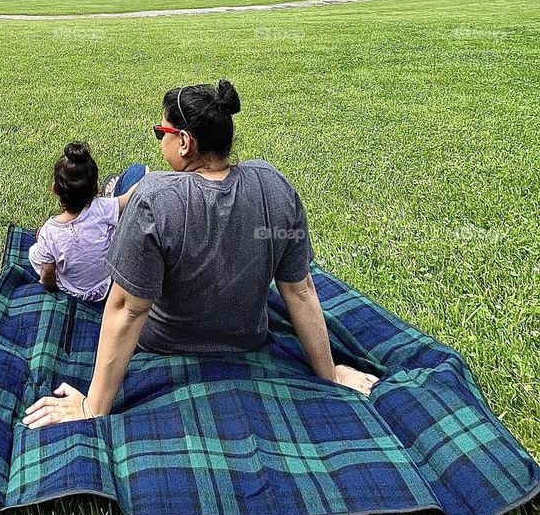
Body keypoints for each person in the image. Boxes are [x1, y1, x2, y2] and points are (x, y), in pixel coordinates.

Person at [24, 80, 379, 429]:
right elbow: (299, 290)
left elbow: (127, 309)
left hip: (164, 342)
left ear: (184, 142)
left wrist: (92, 407)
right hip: (248, 337)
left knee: (132, 178)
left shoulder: (153, 200)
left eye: (161, 130)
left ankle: (113, 190)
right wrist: (329, 372)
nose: (159, 137)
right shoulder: (275, 185)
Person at [29, 142, 136, 302]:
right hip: (106, 284)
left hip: (74, 290)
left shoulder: (49, 232)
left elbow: (48, 273)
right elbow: (127, 199)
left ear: (55, 189)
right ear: (96, 189)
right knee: (137, 171)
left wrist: (50, 287)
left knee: (34, 252)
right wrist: (150, 180)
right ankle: (114, 188)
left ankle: (44, 248)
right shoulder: (102, 207)